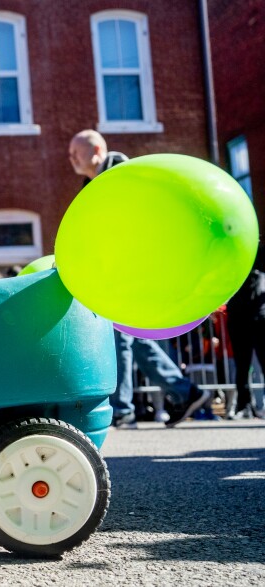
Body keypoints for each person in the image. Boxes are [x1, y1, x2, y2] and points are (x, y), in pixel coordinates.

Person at [68, 129, 211, 428]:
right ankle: (186, 392)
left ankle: (122, 409)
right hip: (118, 269)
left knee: (120, 335)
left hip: (133, 267)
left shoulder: (121, 172)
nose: (71, 159)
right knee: (132, 337)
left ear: (95, 150)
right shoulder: (93, 183)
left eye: (75, 152)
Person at [225, 243, 265, 419]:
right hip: (237, 316)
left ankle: (256, 405)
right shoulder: (230, 256)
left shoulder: (261, 254)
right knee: (242, 365)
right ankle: (244, 405)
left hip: (259, 317)